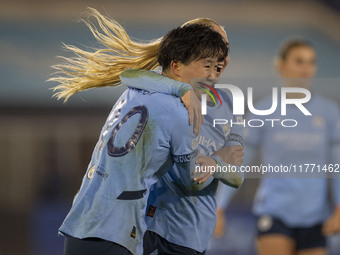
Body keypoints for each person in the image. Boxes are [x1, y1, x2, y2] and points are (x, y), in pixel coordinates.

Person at [50, 9, 239, 255]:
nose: (221, 56)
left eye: (224, 48)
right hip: (136, 228)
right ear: (181, 61)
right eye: (213, 48)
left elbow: (129, 76)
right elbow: (194, 179)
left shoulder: (137, 89)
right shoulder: (181, 108)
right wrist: (217, 165)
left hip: (85, 220)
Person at [215, 39, 340, 255]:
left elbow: (336, 165)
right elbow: (240, 161)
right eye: (299, 61)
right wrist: (220, 205)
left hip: (315, 216)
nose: (306, 68)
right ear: (281, 66)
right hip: (274, 211)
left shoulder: (328, 113)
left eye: (311, 62)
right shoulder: (264, 110)